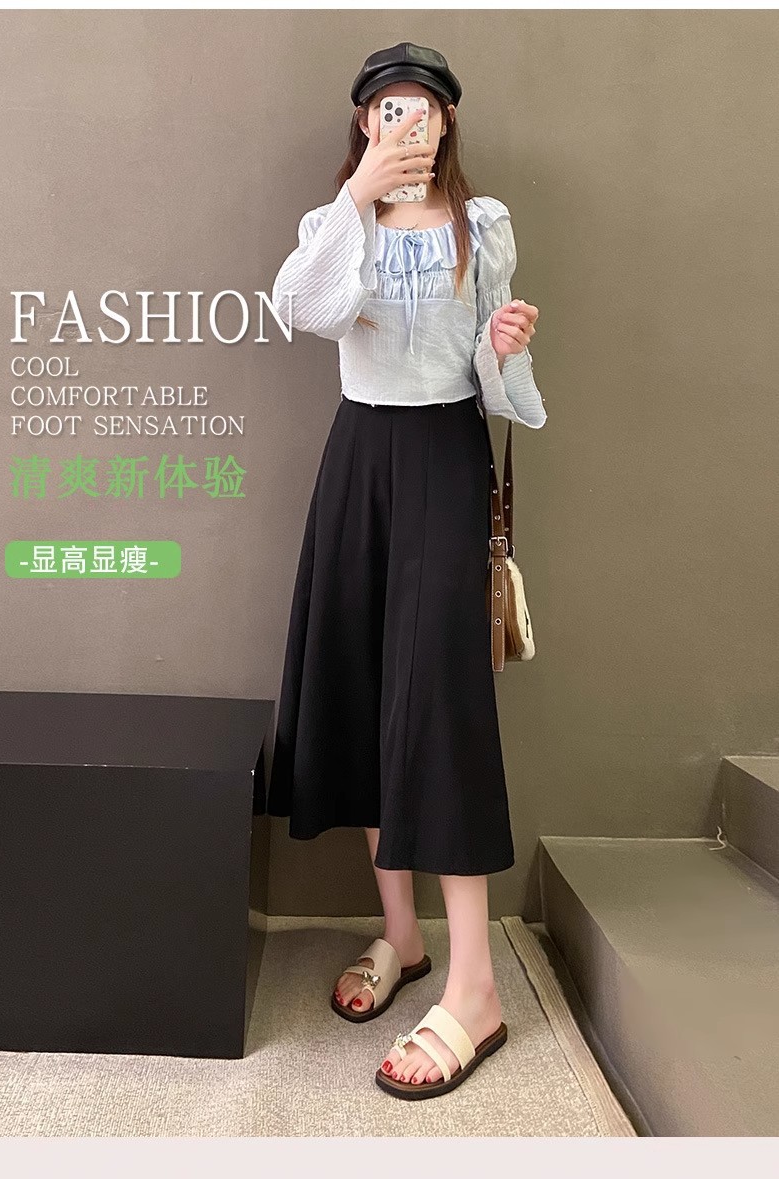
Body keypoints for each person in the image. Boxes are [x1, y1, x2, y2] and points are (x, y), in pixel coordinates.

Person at [265, 42, 547, 1100]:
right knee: (365, 691)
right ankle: (404, 936)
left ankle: (475, 987)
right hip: (358, 458)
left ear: (447, 122)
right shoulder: (335, 225)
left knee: (437, 705)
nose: (405, 121)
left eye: (421, 106)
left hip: (440, 457)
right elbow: (304, 311)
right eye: (387, 107)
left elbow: (493, 381)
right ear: (364, 123)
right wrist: (356, 198)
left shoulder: (484, 224)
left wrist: (505, 345)